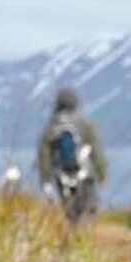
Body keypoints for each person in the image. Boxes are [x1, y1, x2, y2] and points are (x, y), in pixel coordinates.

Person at [36, 88, 107, 224]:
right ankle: (85, 237)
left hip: (62, 175)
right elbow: (96, 149)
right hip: (86, 174)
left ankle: (73, 234)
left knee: (70, 211)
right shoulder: (85, 123)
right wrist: (102, 173)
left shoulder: (51, 125)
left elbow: (43, 156)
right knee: (87, 208)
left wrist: (45, 180)